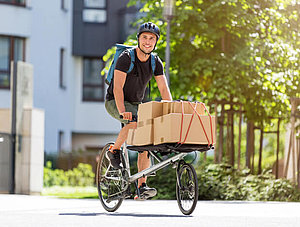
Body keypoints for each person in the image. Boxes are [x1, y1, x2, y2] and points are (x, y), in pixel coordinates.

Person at [105, 22, 172, 200]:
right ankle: (114, 151)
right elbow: (118, 88)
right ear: (139, 39)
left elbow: (164, 90)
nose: (148, 42)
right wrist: (122, 111)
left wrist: (171, 110)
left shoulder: (155, 62)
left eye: (152, 38)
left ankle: (141, 185)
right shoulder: (126, 58)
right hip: (115, 101)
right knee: (134, 122)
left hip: (136, 104)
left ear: (156, 41)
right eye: (145, 38)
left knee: (145, 144)